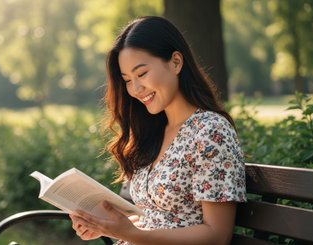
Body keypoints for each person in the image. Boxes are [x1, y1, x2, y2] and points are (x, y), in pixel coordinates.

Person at [70, 16, 246, 245]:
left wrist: (132, 235)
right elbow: (155, 219)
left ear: (175, 62)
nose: (135, 89)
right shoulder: (152, 131)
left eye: (141, 74)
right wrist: (106, 226)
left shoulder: (210, 132)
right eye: (127, 80)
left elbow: (217, 235)